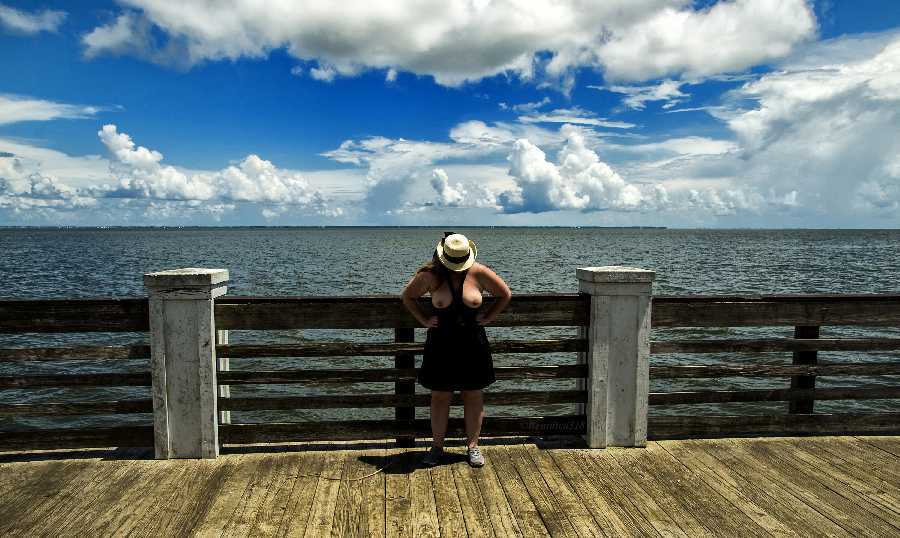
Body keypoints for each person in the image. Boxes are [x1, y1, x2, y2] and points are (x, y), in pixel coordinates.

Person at [401, 232, 512, 468]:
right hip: (441, 344)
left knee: (473, 395)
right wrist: (423, 320)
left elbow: (505, 294)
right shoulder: (429, 276)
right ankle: (437, 447)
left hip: (473, 343)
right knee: (440, 396)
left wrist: (489, 316)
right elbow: (408, 297)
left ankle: (473, 447)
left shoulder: (479, 272)